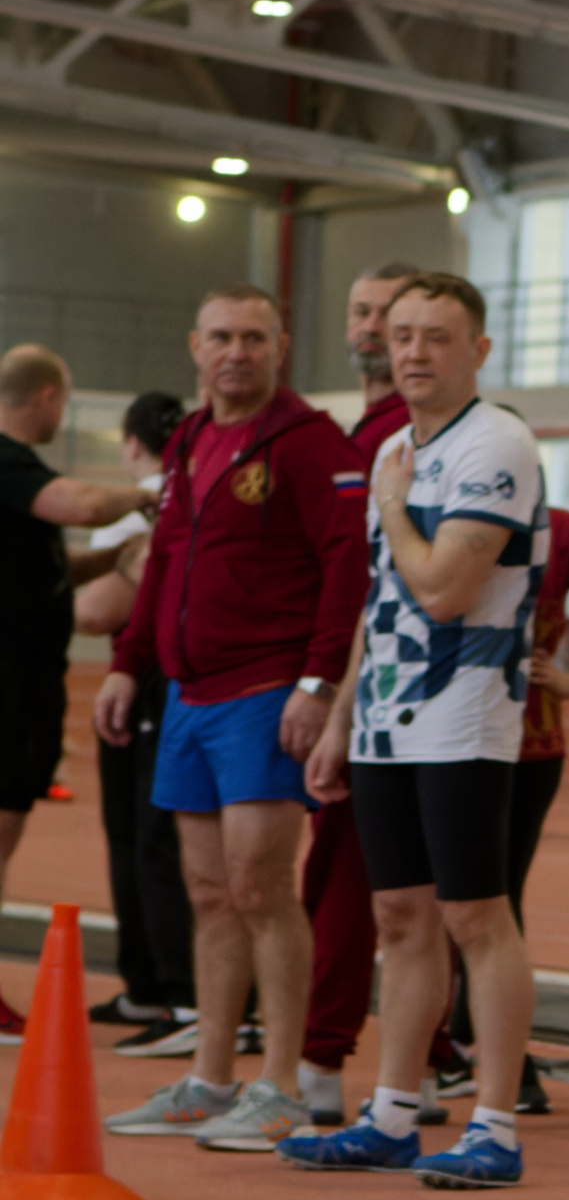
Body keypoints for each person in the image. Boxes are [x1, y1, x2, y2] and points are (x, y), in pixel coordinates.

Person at [285, 272, 546, 1189]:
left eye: (438, 335)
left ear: (477, 348)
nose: (413, 351)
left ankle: (496, 1124)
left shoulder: (496, 445)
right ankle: (393, 1111)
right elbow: (381, 598)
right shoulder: (398, 445)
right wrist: (341, 712)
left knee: (474, 914)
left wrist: (394, 505)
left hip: (467, 709)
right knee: (398, 917)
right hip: (387, 717)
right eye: (402, 334)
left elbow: (443, 586)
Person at [92, 289, 366, 1151]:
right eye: (221, 337)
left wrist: (318, 682)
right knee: (209, 893)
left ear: (281, 345)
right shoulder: (190, 441)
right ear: (194, 346)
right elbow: (166, 558)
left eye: (254, 337)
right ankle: (212, 1080)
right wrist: (130, 663)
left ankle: (280, 1085)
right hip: (186, 696)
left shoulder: (311, 442)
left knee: (259, 887)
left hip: (263, 691)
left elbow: (347, 565)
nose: (236, 352)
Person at [0, 344, 157, 1040]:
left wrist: (113, 558)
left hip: (25, 683)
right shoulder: (9, 463)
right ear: (46, 398)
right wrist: (155, 491)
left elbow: (52, 563)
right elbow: (83, 501)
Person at [299, 259, 422, 1127]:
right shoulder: (351, 436)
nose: (371, 329)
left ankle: (320, 1057)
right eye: (363, 311)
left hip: (405, 698)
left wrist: (323, 687)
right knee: (347, 887)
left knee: (370, 891)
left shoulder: (415, 438)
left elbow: (369, 584)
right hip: (354, 685)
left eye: (394, 318)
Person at [449, 500, 569, 1118]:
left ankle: (499, 1061)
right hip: (451, 738)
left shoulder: (563, 530)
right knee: (453, 896)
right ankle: (465, 1046)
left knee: (492, 896)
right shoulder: (438, 515)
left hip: (525, 746)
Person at [74, 391, 194, 1037]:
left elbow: (94, 610)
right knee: (152, 834)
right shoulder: (183, 491)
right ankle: (157, 985)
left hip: (150, 674)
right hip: (159, 674)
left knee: (148, 836)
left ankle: (170, 989)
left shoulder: (140, 505)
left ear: (130, 443)